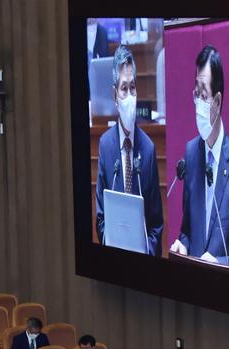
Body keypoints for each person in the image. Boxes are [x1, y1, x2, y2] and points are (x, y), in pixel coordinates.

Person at [170, 45, 229, 268]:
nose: (197, 101)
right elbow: (187, 230)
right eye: (195, 93)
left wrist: (218, 263)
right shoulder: (191, 153)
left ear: (217, 102)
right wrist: (183, 245)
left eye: (203, 94)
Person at [95, 44, 163, 256]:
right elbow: (100, 217)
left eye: (133, 88)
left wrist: (145, 255)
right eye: (124, 89)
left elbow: (156, 225)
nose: (130, 95)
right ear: (115, 96)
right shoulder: (105, 146)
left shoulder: (148, 149)